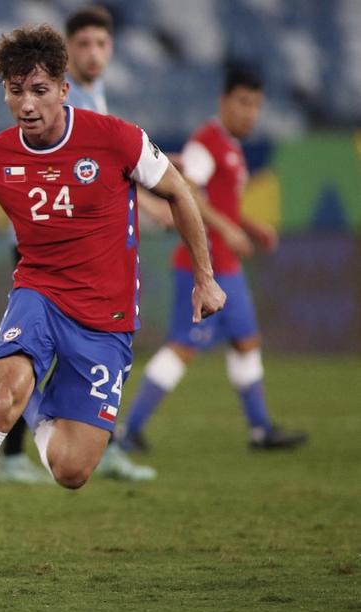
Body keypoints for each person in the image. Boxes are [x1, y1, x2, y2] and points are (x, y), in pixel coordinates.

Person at [0, 24, 226, 572]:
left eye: (38, 90)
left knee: (71, 471)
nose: (26, 104)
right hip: (39, 295)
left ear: (62, 88)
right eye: (15, 91)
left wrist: (205, 277)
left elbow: (177, 191)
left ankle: (36, 403)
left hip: (106, 319)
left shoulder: (117, 138)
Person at [0, 5, 162, 484]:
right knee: (61, 352)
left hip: (80, 247)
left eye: (102, 44)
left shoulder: (94, 96)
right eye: (84, 44)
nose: (94, 53)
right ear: (67, 53)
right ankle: (36, 451)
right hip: (50, 245)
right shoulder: (71, 104)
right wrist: (157, 208)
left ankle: (56, 448)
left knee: (66, 354)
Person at [118, 67, 308, 453]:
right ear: (224, 102)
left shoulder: (230, 147)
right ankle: (129, 430)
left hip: (228, 268)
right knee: (183, 347)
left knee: (246, 341)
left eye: (256, 105)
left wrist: (250, 227)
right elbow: (190, 194)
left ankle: (260, 430)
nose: (250, 113)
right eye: (243, 103)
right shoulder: (205, 145)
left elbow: (221, 204)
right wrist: (228, 230)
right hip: (202, 266)